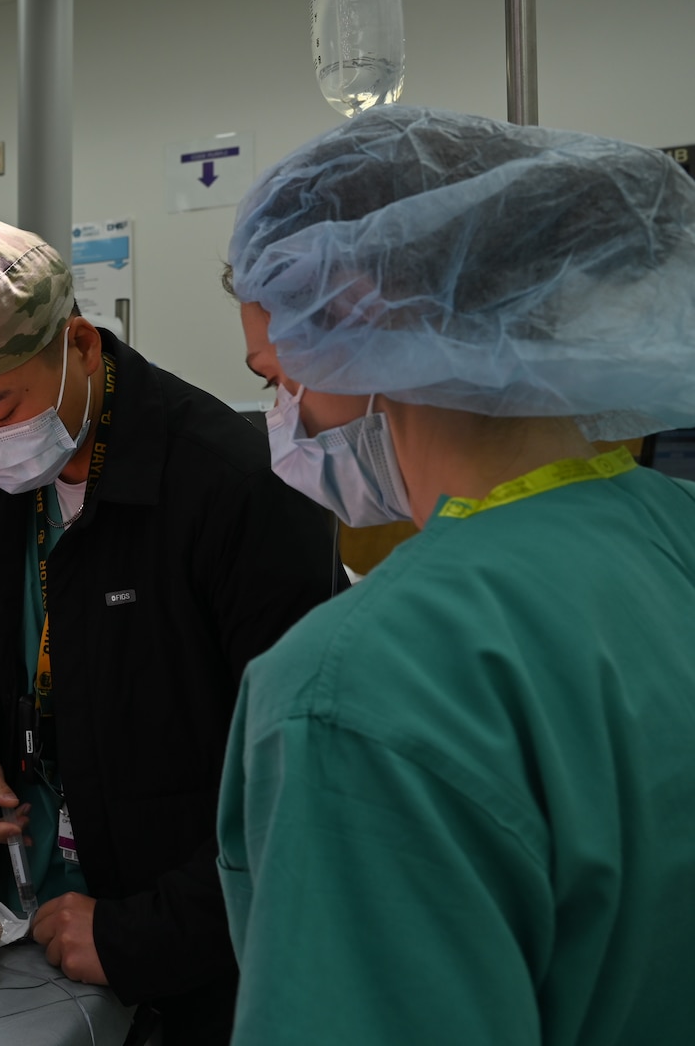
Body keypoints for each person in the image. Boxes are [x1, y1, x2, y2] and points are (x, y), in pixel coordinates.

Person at [217, 105, 695, 1044]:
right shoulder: (672, 533)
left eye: (281, 376)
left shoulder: (354, 688)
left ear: (361, 316)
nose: (286, 416)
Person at [0, 221, 343, 1041]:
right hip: (37, 879)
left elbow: (299, 775)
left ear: (82, 346)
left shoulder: (231, 484)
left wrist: (150, 932)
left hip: (190, 917)